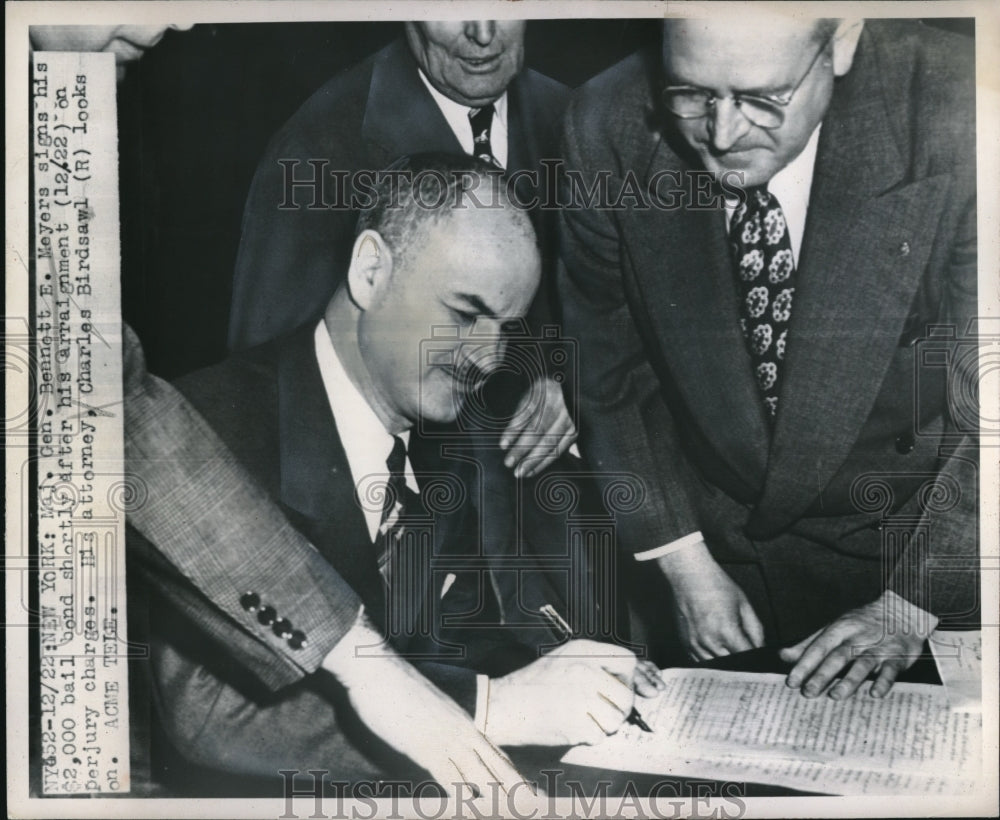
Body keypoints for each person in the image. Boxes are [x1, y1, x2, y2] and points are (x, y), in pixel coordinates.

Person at [131, 155, 660, 787]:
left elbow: (460, 634)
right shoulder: (202, 431)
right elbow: (216, 718)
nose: (489, 357)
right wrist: (496, 709)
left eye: (506, 328)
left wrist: (578, 664)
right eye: (465, 314)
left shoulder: (457, 424)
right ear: (371, 270)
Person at [558, 15, 978, 700]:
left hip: (925, 542)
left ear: (840, 42)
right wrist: (681, 559)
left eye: (762, 99)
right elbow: (607, 370)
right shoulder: (605, 125)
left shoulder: (960, 105)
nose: (722, 137)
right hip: (723, 550)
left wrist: (910, 603)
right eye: (690, 93)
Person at [229, 21, 575, 479]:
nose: (484, 33)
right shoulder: (316, 148)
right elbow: (268, 402)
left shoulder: (579, 118)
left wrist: (578, 387)